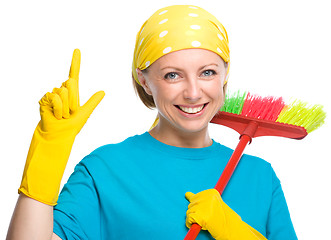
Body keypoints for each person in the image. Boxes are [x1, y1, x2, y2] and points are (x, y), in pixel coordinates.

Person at [6, 5, 297, 240]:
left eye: (207, 72)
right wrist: (48, 153)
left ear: (225, 74)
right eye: (173, 75)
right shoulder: (105, 170)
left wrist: (236, 233)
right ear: (143, 79)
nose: (194, 92)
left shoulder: (260, 176)